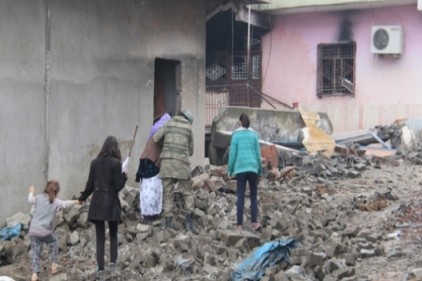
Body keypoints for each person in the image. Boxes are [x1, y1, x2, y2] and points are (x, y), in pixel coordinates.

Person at [78, 135, 128, 280]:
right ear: (116, 148)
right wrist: (124, 177)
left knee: (100, 237)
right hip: (111, 203)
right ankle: (112, 262)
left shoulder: (94, 163)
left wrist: (82, 198)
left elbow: (90, 185)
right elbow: (118, 186)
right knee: (113, 233)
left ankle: (100, 268)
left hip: (97, 203)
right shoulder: (116, 163)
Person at [152, 110, 198, 234]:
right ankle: (189, 223)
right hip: (182, 165)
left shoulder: (168, 124)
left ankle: (168, 224)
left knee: (168, 193)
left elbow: (155, 138)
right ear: (189, 120)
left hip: (167, 164)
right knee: (188, 193)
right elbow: (191, 151)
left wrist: (166, 144)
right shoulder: (189, 129)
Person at [28, 180, 79, 281]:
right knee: (54, 243)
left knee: (36, 251)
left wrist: (31, 191)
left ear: (46, 188)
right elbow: (65, 204)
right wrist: (76, 201)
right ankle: (54, 266)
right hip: (45, 232)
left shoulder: (38, 198)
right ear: (57, 192)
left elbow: (30, 200)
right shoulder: (56, 202)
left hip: (33, 230)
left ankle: (34, 274)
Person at [227, 113, 262, 232]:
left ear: (240, 122)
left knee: (240, 195)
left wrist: (230, 170)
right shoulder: (254, 135)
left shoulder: (236, 135)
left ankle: (239, 225)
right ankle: (254, 222)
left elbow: (232, 154)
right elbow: (258, 154)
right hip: (253, 168)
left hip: (240, 168)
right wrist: (260, 170)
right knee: (253, 195)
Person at [135, 113, 171, 223]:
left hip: (145, 160)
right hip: (153, 161)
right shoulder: (162, 131)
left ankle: (147, 212)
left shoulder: (155, 129)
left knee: (147, 187)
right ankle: (152, 213)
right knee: (153, 187)